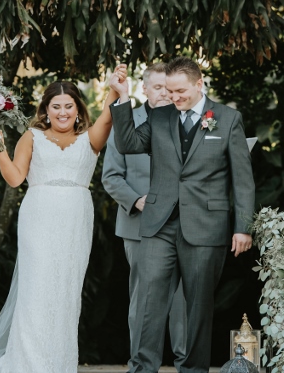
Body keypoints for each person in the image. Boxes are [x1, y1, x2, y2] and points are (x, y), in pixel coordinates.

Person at [0, 71, 123, 373]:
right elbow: (15, 179)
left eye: (68, 106)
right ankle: (29, 365)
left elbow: (108, 110)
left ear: (78, 108)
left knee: (65, 293)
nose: (62, 112)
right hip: (38, 219)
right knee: (37, 291)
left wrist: (116, 86)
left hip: (76, 220)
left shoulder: (91, 137)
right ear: (45, 110)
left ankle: (59, 364)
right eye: (56, 106)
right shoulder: (31, 136)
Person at [108, 57, 255, 373]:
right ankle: (142, 368)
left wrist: (243, 227)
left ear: (199, 84)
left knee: (197, 306)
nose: (173, 97)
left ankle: (192, 370)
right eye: (169, 91)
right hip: (159, 223)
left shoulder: (228, 119)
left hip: (206, 226)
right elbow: (128, 143)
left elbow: (242, 179)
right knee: (149, 302)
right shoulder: (160, 117)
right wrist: (122, 97)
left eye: (179, 91)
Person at [102, 63, 187, 371]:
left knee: (184, 301)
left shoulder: (189, 122)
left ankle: (185, 363)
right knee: (144, 299)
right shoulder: (127, 121)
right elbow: (111, 176)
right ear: (145, 89)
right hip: (139, 226)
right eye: (159, 87)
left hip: (183, 225)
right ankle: (140, 366)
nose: (166, 92)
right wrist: (137, 201)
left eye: (171, 87)